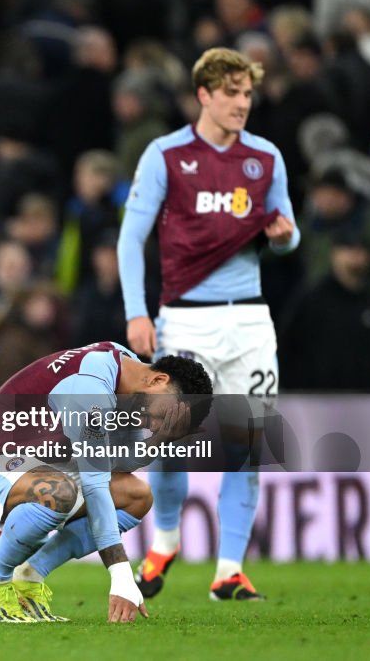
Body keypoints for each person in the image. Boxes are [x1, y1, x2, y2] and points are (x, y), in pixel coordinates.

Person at [116, 47, 301, 601]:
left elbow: (289, 236)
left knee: (247, 444)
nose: (243, 104)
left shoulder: (265, 157)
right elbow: (131, 237)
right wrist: (136, 311)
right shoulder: (166, 155)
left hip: (249, 320)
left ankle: (228, 570)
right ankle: (166, 542)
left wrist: (285, 238)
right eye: (232, 93)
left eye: (248, 94)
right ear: (204, 94)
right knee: (174, 440)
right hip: (185, 322)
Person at [0, 342, 212, 622]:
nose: (156, 425)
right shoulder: (90, 389)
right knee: (60, 491)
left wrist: (157, 442)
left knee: (136, 495)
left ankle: (29, 578)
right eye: (166, 415)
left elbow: (112, 461)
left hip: (31, 466)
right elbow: (95, 484)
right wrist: (121, 577)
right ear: (159, 379)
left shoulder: (125, 372)